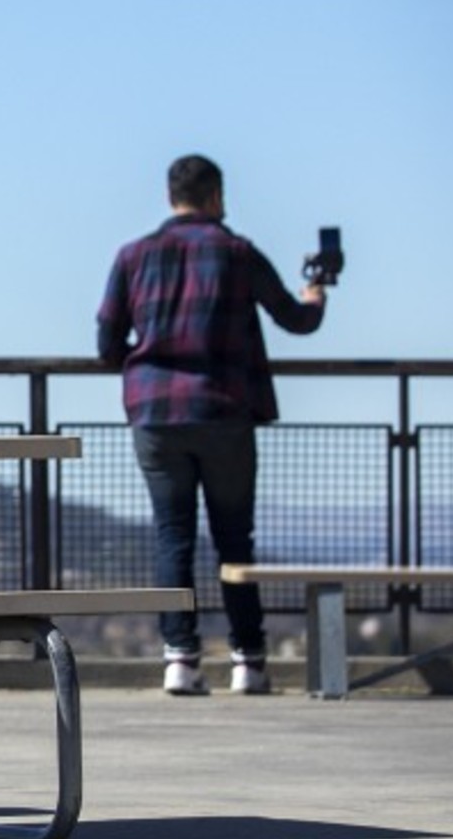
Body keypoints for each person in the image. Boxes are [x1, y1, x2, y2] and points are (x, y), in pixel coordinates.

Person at [96, 154, 327, 695]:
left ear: (170, 196)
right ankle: (249, 661)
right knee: (233, 539)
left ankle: (180, 658)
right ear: (217, 196)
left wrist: (150, 359)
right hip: (224, 410)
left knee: (172, 534)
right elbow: (296, 319)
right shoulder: (237, 252)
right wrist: (317, 295)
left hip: (156, 413)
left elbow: (107, 343)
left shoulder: (133, 257)